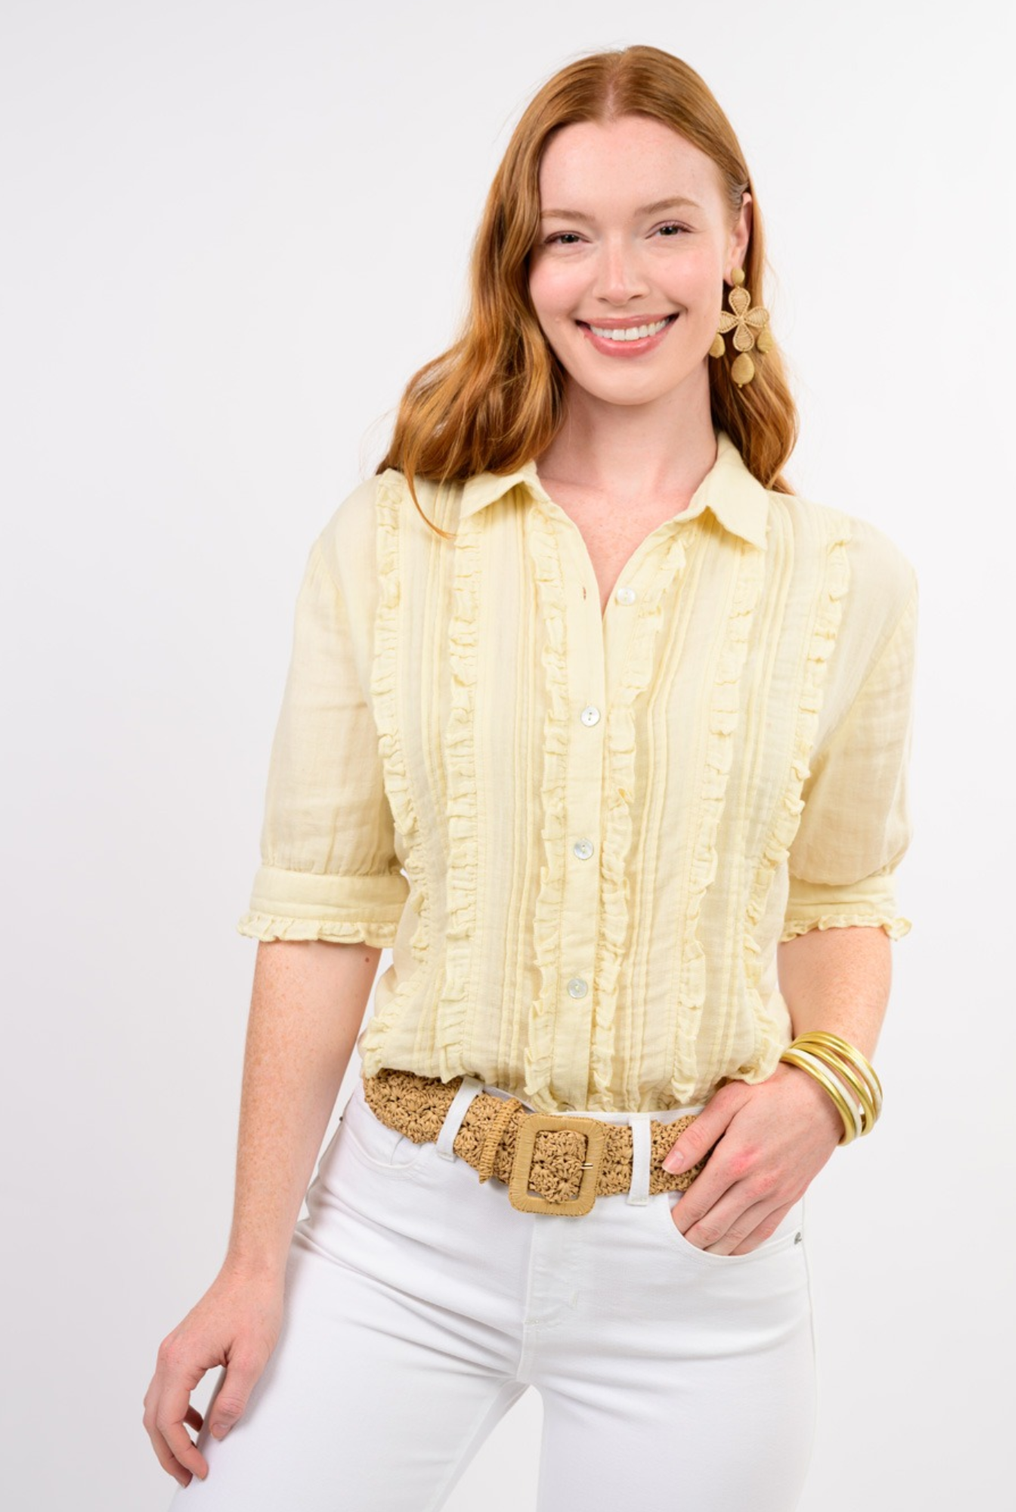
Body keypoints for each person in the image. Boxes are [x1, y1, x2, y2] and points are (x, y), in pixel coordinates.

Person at [144, 43, 919, 1511]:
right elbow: (321, 912)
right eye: (570, 235)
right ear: (523, 262)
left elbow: (843, 892)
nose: (616, 280)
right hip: (397, 1235)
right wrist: (253, 1264)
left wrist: (829, 1083)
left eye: (665, 225)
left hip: (698, 1262)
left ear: (739, 235)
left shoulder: (851, 586)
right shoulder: (388, 545)